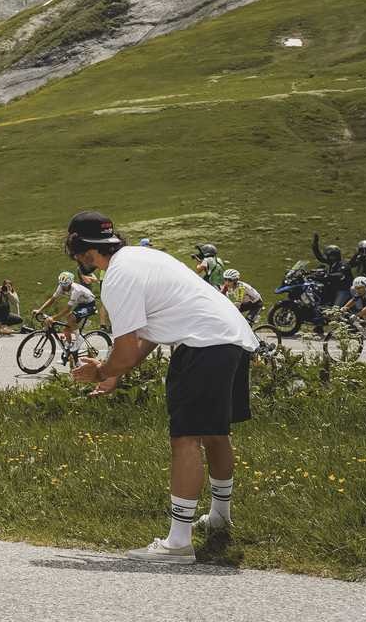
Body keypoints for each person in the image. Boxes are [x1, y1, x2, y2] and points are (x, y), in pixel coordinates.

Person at [66, 210, 258, 565]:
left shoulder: (117, 277)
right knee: (216, 433)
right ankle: (219, 517)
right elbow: (150, 332)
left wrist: (102, 370)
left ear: (81, 250)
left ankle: (178, 543)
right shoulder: (142, 257)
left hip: (202, 344)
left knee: (185, 439)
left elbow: (125, 350)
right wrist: (115, 375)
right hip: (232, 336)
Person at [34, 270, 98, 360]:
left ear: (70, 283)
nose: (64, 287)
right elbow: (52, 299)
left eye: (66, 285)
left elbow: (68, 309)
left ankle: (79, 338)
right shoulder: (61, 286)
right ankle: (69, 354)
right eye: (62, 285)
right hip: (81, 304)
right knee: (66, 330)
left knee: (70, 317)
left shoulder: (76, 290)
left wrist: (53, 318)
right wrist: (40, 310)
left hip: (90, 305)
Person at [311, 236, 350, 306]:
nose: (327, 257)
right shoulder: (332, 263)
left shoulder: (343, 265)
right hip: (334, 288)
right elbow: (320, 257)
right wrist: (315, 245)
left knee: (335, 308)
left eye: (328, 256)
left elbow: (340, 275)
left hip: (343, 290)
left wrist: (326, 275)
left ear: (333, 256)